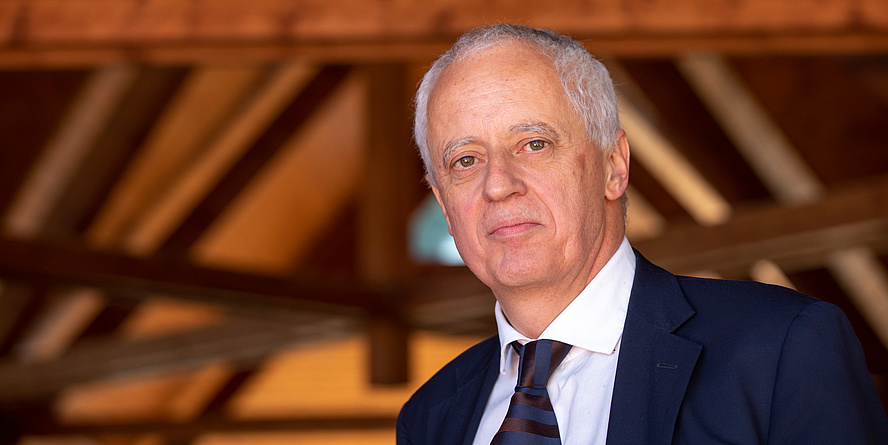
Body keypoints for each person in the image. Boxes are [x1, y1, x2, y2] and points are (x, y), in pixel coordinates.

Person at [397, 24, 888, 444]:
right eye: (465, 161)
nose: (498, 184)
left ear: (614, 166)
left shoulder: (781, 349)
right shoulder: (431, 414)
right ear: (443, 204)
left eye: (534, 144)